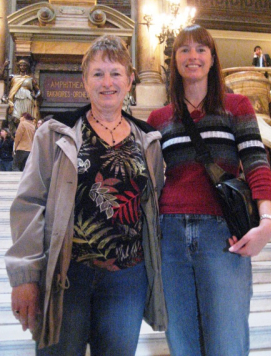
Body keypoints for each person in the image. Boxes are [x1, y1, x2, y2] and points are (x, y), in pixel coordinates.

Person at [5, 35, 167, 355]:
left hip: (127, 280)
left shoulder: (148, 140)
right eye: (98, 74)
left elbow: (155, 206)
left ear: (130, 79)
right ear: (85, 81)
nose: (107, 82)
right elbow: (29, 204)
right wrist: (25, 276)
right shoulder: (55, 133)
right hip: (68, 276)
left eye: (116, 73)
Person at [147, 25, 271, 356]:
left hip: (221, 234)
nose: (193, 56)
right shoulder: (159, 118)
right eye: (184, 50)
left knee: (227, 341)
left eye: (201, 49)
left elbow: (256, 163)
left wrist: (267, 221)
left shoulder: (237, 106)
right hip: (171, 235)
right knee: (182, 341)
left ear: (212, 57)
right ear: (174, 60)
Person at [8, 59, 41, 133]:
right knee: (16, 117)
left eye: (24, 65)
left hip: (27, 99)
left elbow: (38, 91)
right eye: (21, 65)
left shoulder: (30, 79)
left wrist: (35, 96)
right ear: (18, 67)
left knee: (26, 118)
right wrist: (4, 66)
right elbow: (3, 77)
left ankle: (26, 132)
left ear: (27, 67)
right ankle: (17, 133)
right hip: (17, 98)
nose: (22, 67)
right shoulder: (14, 77)